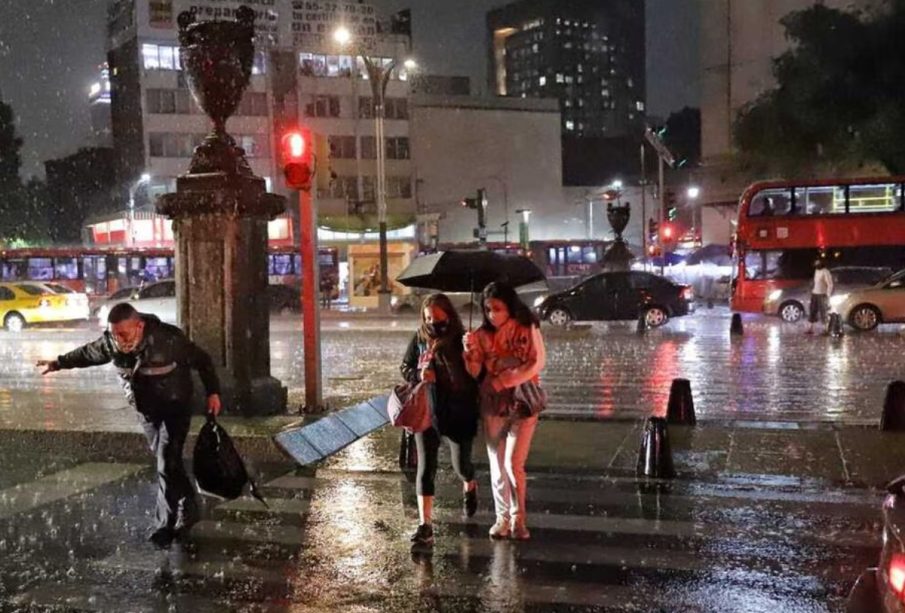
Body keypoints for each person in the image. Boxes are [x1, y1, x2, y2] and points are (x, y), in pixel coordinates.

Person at [36, 303, 221, 550]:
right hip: (146, 410)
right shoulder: (111, 343)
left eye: (125, 334)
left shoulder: (168, 339)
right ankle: (190, 505)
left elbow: (203, 360)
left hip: (176, 407)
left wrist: (213, 393)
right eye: (115, 334)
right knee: (169, 462)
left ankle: (164, 526)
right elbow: (87, 354)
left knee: (166, 460)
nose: (120, 340)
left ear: (140, 326)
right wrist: (58, 363)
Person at [463, 282, 546, 540]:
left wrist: (507, 379)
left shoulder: (527, 327)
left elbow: (537, 361)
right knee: (497, 465)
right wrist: (470, 352)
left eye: (497, 308)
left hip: (522, 402)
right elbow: (475, 372)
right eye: (487, 309)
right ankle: (502, 519)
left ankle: (519, 519)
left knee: (513, 464)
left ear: (509, 306)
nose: (492, 314)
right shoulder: (481, 334)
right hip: (493, 405)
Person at [401, 294, 480, 547]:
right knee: (426, 469)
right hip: (427, 412)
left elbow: (473, 379)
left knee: (461, 466)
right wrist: (418, 373)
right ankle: (425, 526)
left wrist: (468, 356)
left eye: (436, 317)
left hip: (458, 413)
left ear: (448, 315)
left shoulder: (461, 339)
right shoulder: (421, 338)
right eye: (427, 318)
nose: (432, 322)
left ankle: (470, 484)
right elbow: (405, 366)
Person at [806, 259, 834, 334]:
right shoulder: (816, 271)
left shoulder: (825, 272)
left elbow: (830, 284)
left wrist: (828, 295)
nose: (816, 265)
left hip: (822, 294)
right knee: (812, 311)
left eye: (818, 263)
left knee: (823, 312)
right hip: (815, 293)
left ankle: (825, 329)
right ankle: (810, 328)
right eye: (816, 263)